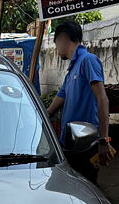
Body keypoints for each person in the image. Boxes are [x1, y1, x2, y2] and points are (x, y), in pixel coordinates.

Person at [47, 21, 112, 185]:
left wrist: (103, 140)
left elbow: (102, 98)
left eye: (56, 44)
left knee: (87, 189)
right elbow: (57, 101)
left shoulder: (87, 60)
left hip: (86, 143)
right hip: (69, 142)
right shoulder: (71, 71)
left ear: (63, 38)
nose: (57, 50)